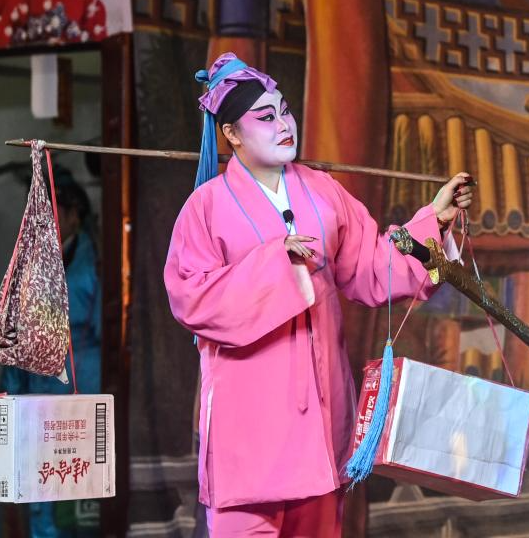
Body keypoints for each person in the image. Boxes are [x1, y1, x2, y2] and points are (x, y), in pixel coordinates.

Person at [163, 53, 472, 537]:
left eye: (285, 110)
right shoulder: (206, 206)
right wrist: (277, 262)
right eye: (266, 117)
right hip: (250, 429)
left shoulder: (323, 191)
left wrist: (433, 221)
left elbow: (373, 267)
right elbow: (191, 297)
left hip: (323, 419)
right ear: (232, 134)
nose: (284, 124)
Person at [0, 168, 102, 538]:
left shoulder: (95, 262)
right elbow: (11, 332)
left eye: (56, 211)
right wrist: (10, 393)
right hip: (35, 385)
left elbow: (103, 330)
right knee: (38, 480)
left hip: (80, 382)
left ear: (75, 214)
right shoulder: (27, 262)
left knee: (76, 482)